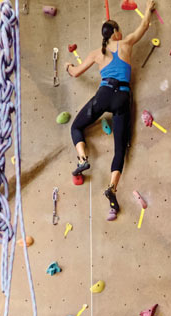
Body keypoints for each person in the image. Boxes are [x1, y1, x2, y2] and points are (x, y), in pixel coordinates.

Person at [65, 0, 156, 217]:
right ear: (116, 32)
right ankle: (111, 188)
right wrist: (148, 9)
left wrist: (68, 66)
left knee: (76, 127)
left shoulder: (97, 53)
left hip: (104, 95)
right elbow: (144, 26)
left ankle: (83, 159)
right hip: (122, 98)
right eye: (120, 29)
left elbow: (76, 72)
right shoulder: (125, 44)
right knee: (120, 149)